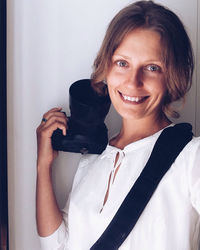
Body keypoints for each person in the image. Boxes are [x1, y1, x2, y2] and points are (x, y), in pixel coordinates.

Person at [36, 1, 200, 249]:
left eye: (152, 68)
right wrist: (43, 165)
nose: (133, 82)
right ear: (107, 67)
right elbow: (58, 245)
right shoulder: (94, 158)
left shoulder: (192, 157)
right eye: (122, 63)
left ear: (172, 76)